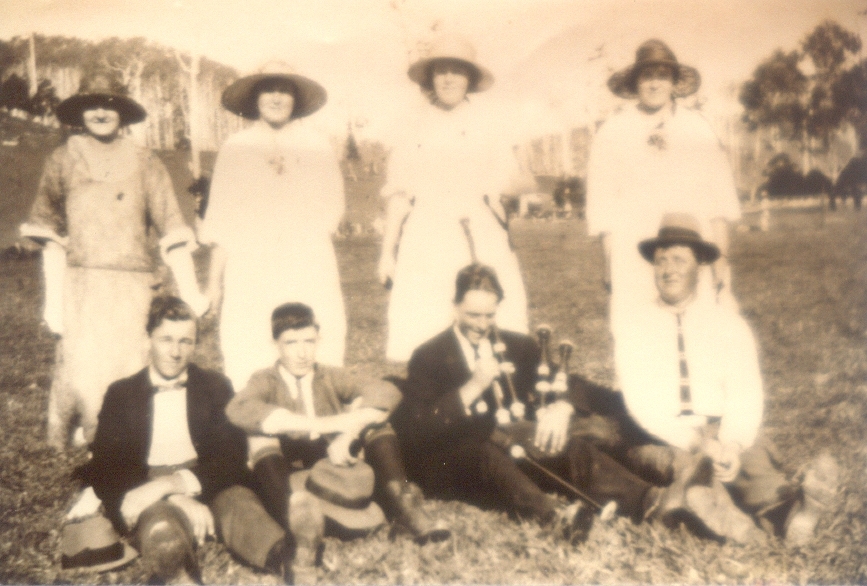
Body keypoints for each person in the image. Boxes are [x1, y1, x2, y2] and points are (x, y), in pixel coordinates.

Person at [390, 263, 707, 536]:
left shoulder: (516, 345)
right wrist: (473, 386)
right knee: (487, 451)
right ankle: (552, 517)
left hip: (514, 443)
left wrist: (560, 407)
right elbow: (421, 427)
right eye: (473, 315)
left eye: (490, 315)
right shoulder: (429, 355)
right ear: (454, 306)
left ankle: (650, 502)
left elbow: (564, 382)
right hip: (457, 459)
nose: (482, 326)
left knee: (563, 442)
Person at [611, 213, 840, 544]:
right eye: (661, 261)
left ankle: (794, 511)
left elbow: (745, 393)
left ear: (700, 264)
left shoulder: (727, 324)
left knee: (753, 465)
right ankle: (737, 526)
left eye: (679, 259)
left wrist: (731, 444)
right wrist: (698, 442)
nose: (668, 269)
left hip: (720, 430)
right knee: (689, 469)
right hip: (665, 437)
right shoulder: (634, 325)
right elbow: (641, 404)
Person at [20, 70, 208, 448]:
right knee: (82, 366)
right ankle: (83, 429)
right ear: (80, 112)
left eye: (109, 105)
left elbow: (171, 227)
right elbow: (50, 234)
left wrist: (191, 293)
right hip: (82, 285)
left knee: (131, 367)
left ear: (123, 112)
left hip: (132, 285)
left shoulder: (146, 162)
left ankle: (125, 436)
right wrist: (54, 303)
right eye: (91, 105)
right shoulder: (63, 158)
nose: (100, 113)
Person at [72, 297, 297, 584]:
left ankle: (285, 560)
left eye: (185, 341)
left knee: (240, 505)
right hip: (145, 484)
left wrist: (177, 484)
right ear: (148, 339)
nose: (175, 352)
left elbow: (231, 456)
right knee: (160, 525)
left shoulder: (215, 386)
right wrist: (170, 494)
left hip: (205, 478)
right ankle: (175, 572)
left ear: (195, 345)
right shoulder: (122, 393)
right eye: (166, 339)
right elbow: (106, 467)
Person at [226, 303, 449, 576]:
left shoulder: (329, 375)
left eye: (309, 341)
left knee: (377, 423)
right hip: (289, 480)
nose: (302, 352)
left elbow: (385, 390)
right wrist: (326, 423)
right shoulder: (266, 380)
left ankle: (402, 504)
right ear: (275, 344)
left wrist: (348, 433)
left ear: (318, 338)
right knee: (259, 437)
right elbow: (239, 408)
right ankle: (296, 528)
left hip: (336, 477)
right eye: (291, 342)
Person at [378, 33, 532, 362]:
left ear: (470, 79)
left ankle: (495, 393)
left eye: (457, 71)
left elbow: (511, 182)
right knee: (426, 322)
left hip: (479, 232)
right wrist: (387, 253)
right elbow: (399, 194)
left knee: (489, 317)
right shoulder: (412, 125)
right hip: (426, 235)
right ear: (431, 77)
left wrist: (511, 192)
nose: (448, 78)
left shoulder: (490, 125)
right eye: (441, 70)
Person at [201, 61, 346, 388]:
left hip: (307, 263)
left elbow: (330, 212)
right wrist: (214, 284)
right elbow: (221, 221)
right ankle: (258, 430)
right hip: (252, 267)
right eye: (269, 89)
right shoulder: (235, 148)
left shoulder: (317, 146)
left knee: (313, 339)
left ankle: (316, 424)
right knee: (251, 343)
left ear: (296, 98)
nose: (277, 98)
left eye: (284, 90)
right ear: (255, 97)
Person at [586, 39, 741, 335]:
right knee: (638, 334)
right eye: (647, 76)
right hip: (632, 252)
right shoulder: (612, 132)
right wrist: (608, 265)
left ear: (673, 81)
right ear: (635, 83)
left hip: (691, 247)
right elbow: (602, 208)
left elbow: (720, 202)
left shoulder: (698, 127)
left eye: (662, 75)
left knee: (697, 333)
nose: (654, 84)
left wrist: (721, 263)